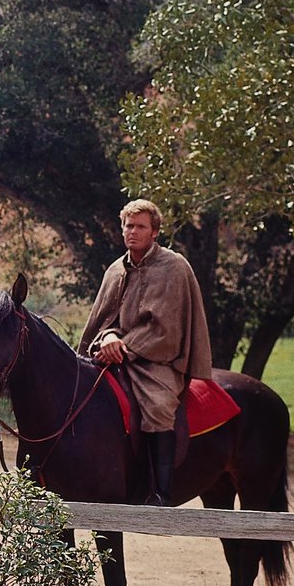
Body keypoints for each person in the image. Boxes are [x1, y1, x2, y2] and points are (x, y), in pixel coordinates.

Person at [79, 198, 212, 507]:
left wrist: (124, 346)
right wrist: (107, 338)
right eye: (128, 225)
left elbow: (165, 329)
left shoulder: (173, 266)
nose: (132, 232)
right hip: (112, 356)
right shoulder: (115, 270)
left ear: (155, 232)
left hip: (157, 361)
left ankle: (161, 492)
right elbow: (103, 320)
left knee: (159, 405)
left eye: (140, 226)